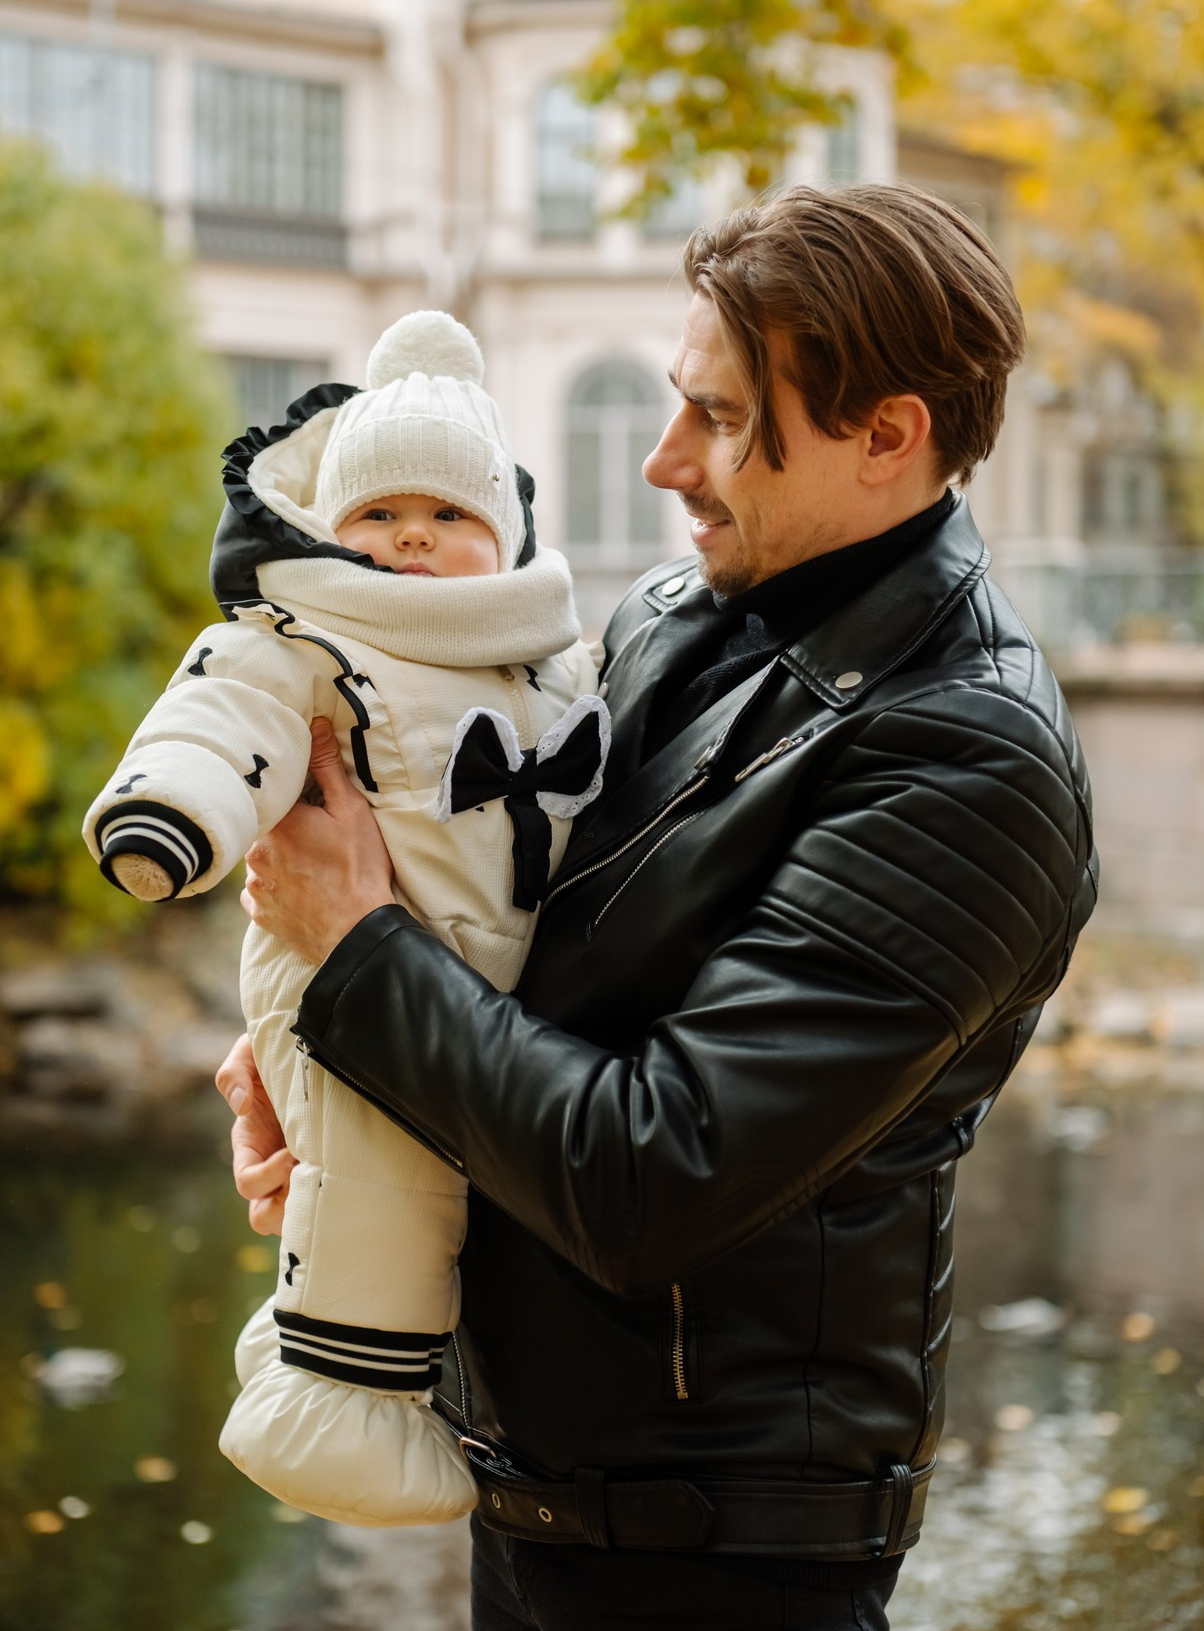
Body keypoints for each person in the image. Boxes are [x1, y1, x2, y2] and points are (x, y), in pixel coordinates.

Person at [218, 184, 1099, 1631]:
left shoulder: (970, 756)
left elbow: (648, 1174)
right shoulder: (669, 619)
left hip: (721, 1567)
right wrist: (318, 1076)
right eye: (679, 399)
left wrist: (359, 954)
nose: (661, 458)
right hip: (537, 1502)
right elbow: (509, 957)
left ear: (891, 436)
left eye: (725, 417)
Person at [83, 311, 607, 1528]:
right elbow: (224, 718)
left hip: (479, 999)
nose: (411, 541)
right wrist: (176, 812)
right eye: (375, 518)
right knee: (377, 1178)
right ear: (329, 534)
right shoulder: (309, 642)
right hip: (342, 974)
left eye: (448, 518)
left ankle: (371, 1360)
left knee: (435, 1190)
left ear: (510, 534)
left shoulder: (551, 664)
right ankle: (332, 1403)